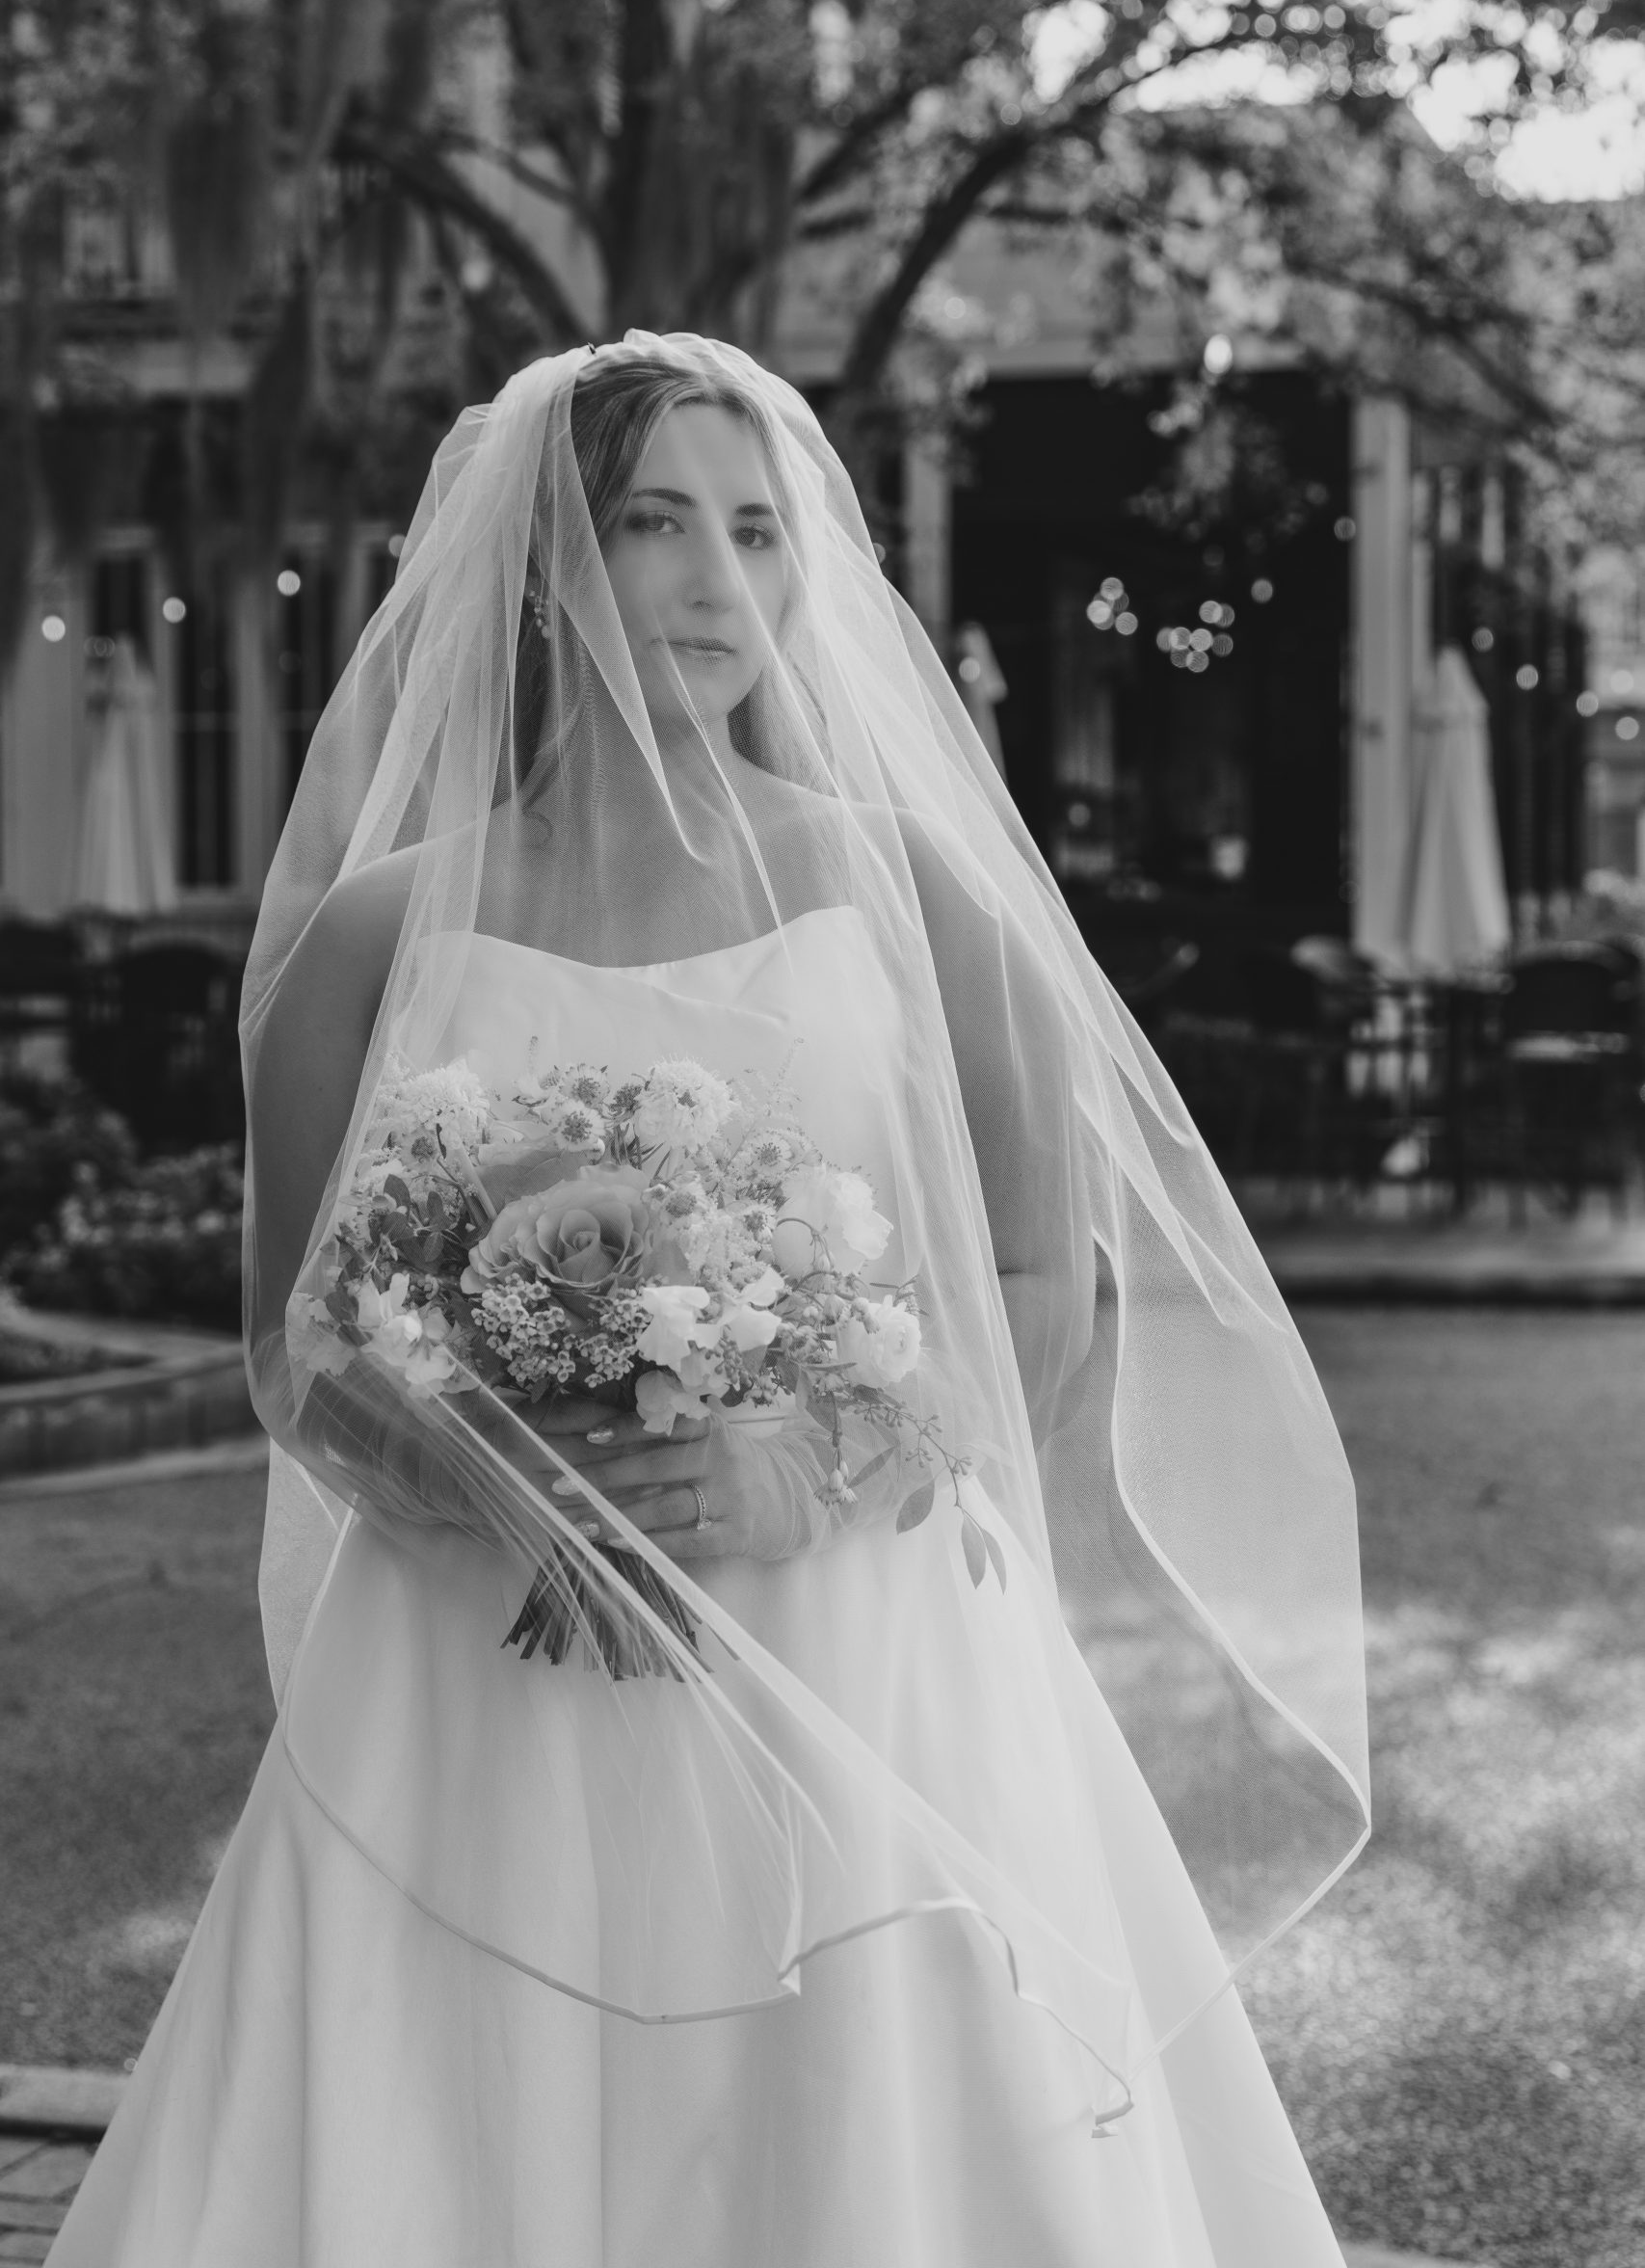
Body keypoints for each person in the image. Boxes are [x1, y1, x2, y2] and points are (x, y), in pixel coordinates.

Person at [48, 336, 1369, 2268]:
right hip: (478, 1656)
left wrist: (813, 1453)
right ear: (534, 564)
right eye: (652, 520)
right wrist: (461, 1461)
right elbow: (292, 1341)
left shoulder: (910, 896)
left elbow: (1035, 1279)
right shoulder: (364, 937)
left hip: (853, 1644)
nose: (712, 578)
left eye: (753, 529)